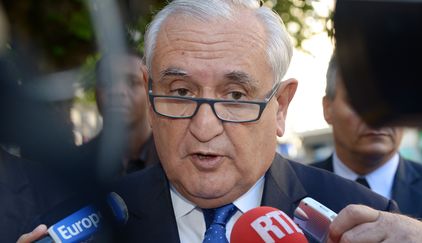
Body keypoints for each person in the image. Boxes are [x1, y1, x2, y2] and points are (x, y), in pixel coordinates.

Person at [18, 0, 399, 242]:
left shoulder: (362, 221)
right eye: (181, 93)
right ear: (150, 96)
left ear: (280, 107)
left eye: (235, 97)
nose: (204, 127)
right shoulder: (78, 226)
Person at [311, 55, 422, 221]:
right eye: (360, 101)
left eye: (392, 100)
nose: (377, 116)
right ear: (327, 108)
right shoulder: (293, 188)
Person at [77, 52, 157, 175]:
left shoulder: (172, 160)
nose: (117, 91)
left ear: (151, 92)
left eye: (132, 82)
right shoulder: (73, 164)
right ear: (96, 92)